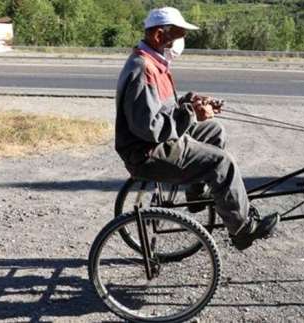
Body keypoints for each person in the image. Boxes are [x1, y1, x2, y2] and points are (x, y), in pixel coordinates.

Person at [114, 7, 279, 250]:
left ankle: (196, 194)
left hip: (158, 140)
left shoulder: (153, 62)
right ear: (159, 36)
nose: (182, 42)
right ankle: (242, 230)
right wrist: (192, 114)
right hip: (147, 152)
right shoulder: (144, 69)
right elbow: (148, 127)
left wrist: (193, 102)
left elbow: (165, 107)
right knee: (222, 163)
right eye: (179, 35)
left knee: (215, 131)